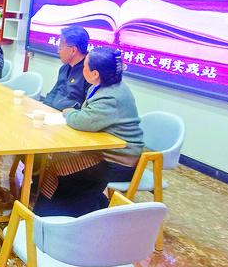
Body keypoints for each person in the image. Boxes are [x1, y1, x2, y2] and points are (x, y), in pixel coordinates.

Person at [33, 47, 145, 218]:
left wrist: (69, 112)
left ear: (95, 74)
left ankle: (58, 215)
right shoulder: (106, 86)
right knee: (57, 160)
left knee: (61, 166)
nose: (82, 69)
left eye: (85, 67)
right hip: (103, 151)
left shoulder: (111, 97)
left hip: (119, 161)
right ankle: (73, 208)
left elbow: (82, 121)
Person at [43, 26, 93, 111]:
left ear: (73, 50)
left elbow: (87, 108)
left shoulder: (90, 73)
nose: (58, 51)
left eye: (60, 47)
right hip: (52, 113)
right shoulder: (64, 68)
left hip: (68, 117)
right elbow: (54, 92)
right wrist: (44, 108)